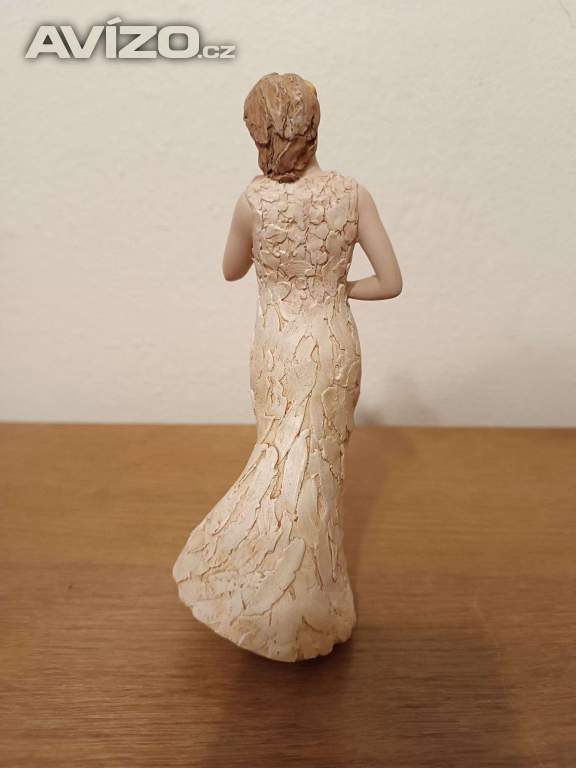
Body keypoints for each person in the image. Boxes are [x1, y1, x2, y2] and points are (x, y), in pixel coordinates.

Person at [173, 72, 402, 662]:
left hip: (277, 346)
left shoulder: (253, 201)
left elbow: (231, 270)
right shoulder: (353, 194)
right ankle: (308, 606)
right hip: (332, 342)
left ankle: (280, 602)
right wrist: (341, 288)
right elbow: (391, 283)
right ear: (315, 126)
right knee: (318, 472)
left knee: (279, 460)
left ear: (259, 133)